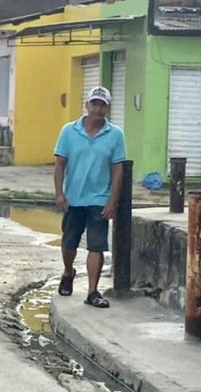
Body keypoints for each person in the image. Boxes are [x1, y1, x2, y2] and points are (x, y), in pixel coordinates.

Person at [53, 86, 126, 308]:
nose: (97, 108)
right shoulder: (69, 131)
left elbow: (118, 168)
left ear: (107, 108)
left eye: (102, 105)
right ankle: (68, 271)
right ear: (87, 105)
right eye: (94, 103)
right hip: (74, 198)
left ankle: (93, 292)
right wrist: (59, 193)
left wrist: (113, 199)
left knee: (97, 245)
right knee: (69, 243)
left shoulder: (115, 135)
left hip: (99, 199)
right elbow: (59, 165)